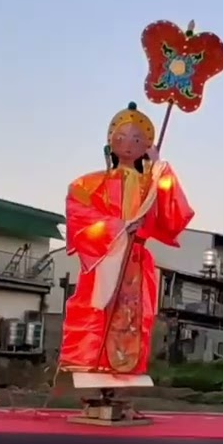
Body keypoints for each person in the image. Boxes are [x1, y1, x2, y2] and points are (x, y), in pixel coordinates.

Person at [59, 102, 193, 385]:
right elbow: (79, 215)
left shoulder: (152, 182)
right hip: (105, 257)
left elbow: (173, 212)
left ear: (146, 145)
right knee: (97, 309)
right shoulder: (90, 183)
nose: (128, 144)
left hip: (136, 258)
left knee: (135, 315)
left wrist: (160, 169)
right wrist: (117, 227)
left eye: (137, 139)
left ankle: (123, 378)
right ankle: (91, 367)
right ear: (110, 142)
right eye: (121, 138)